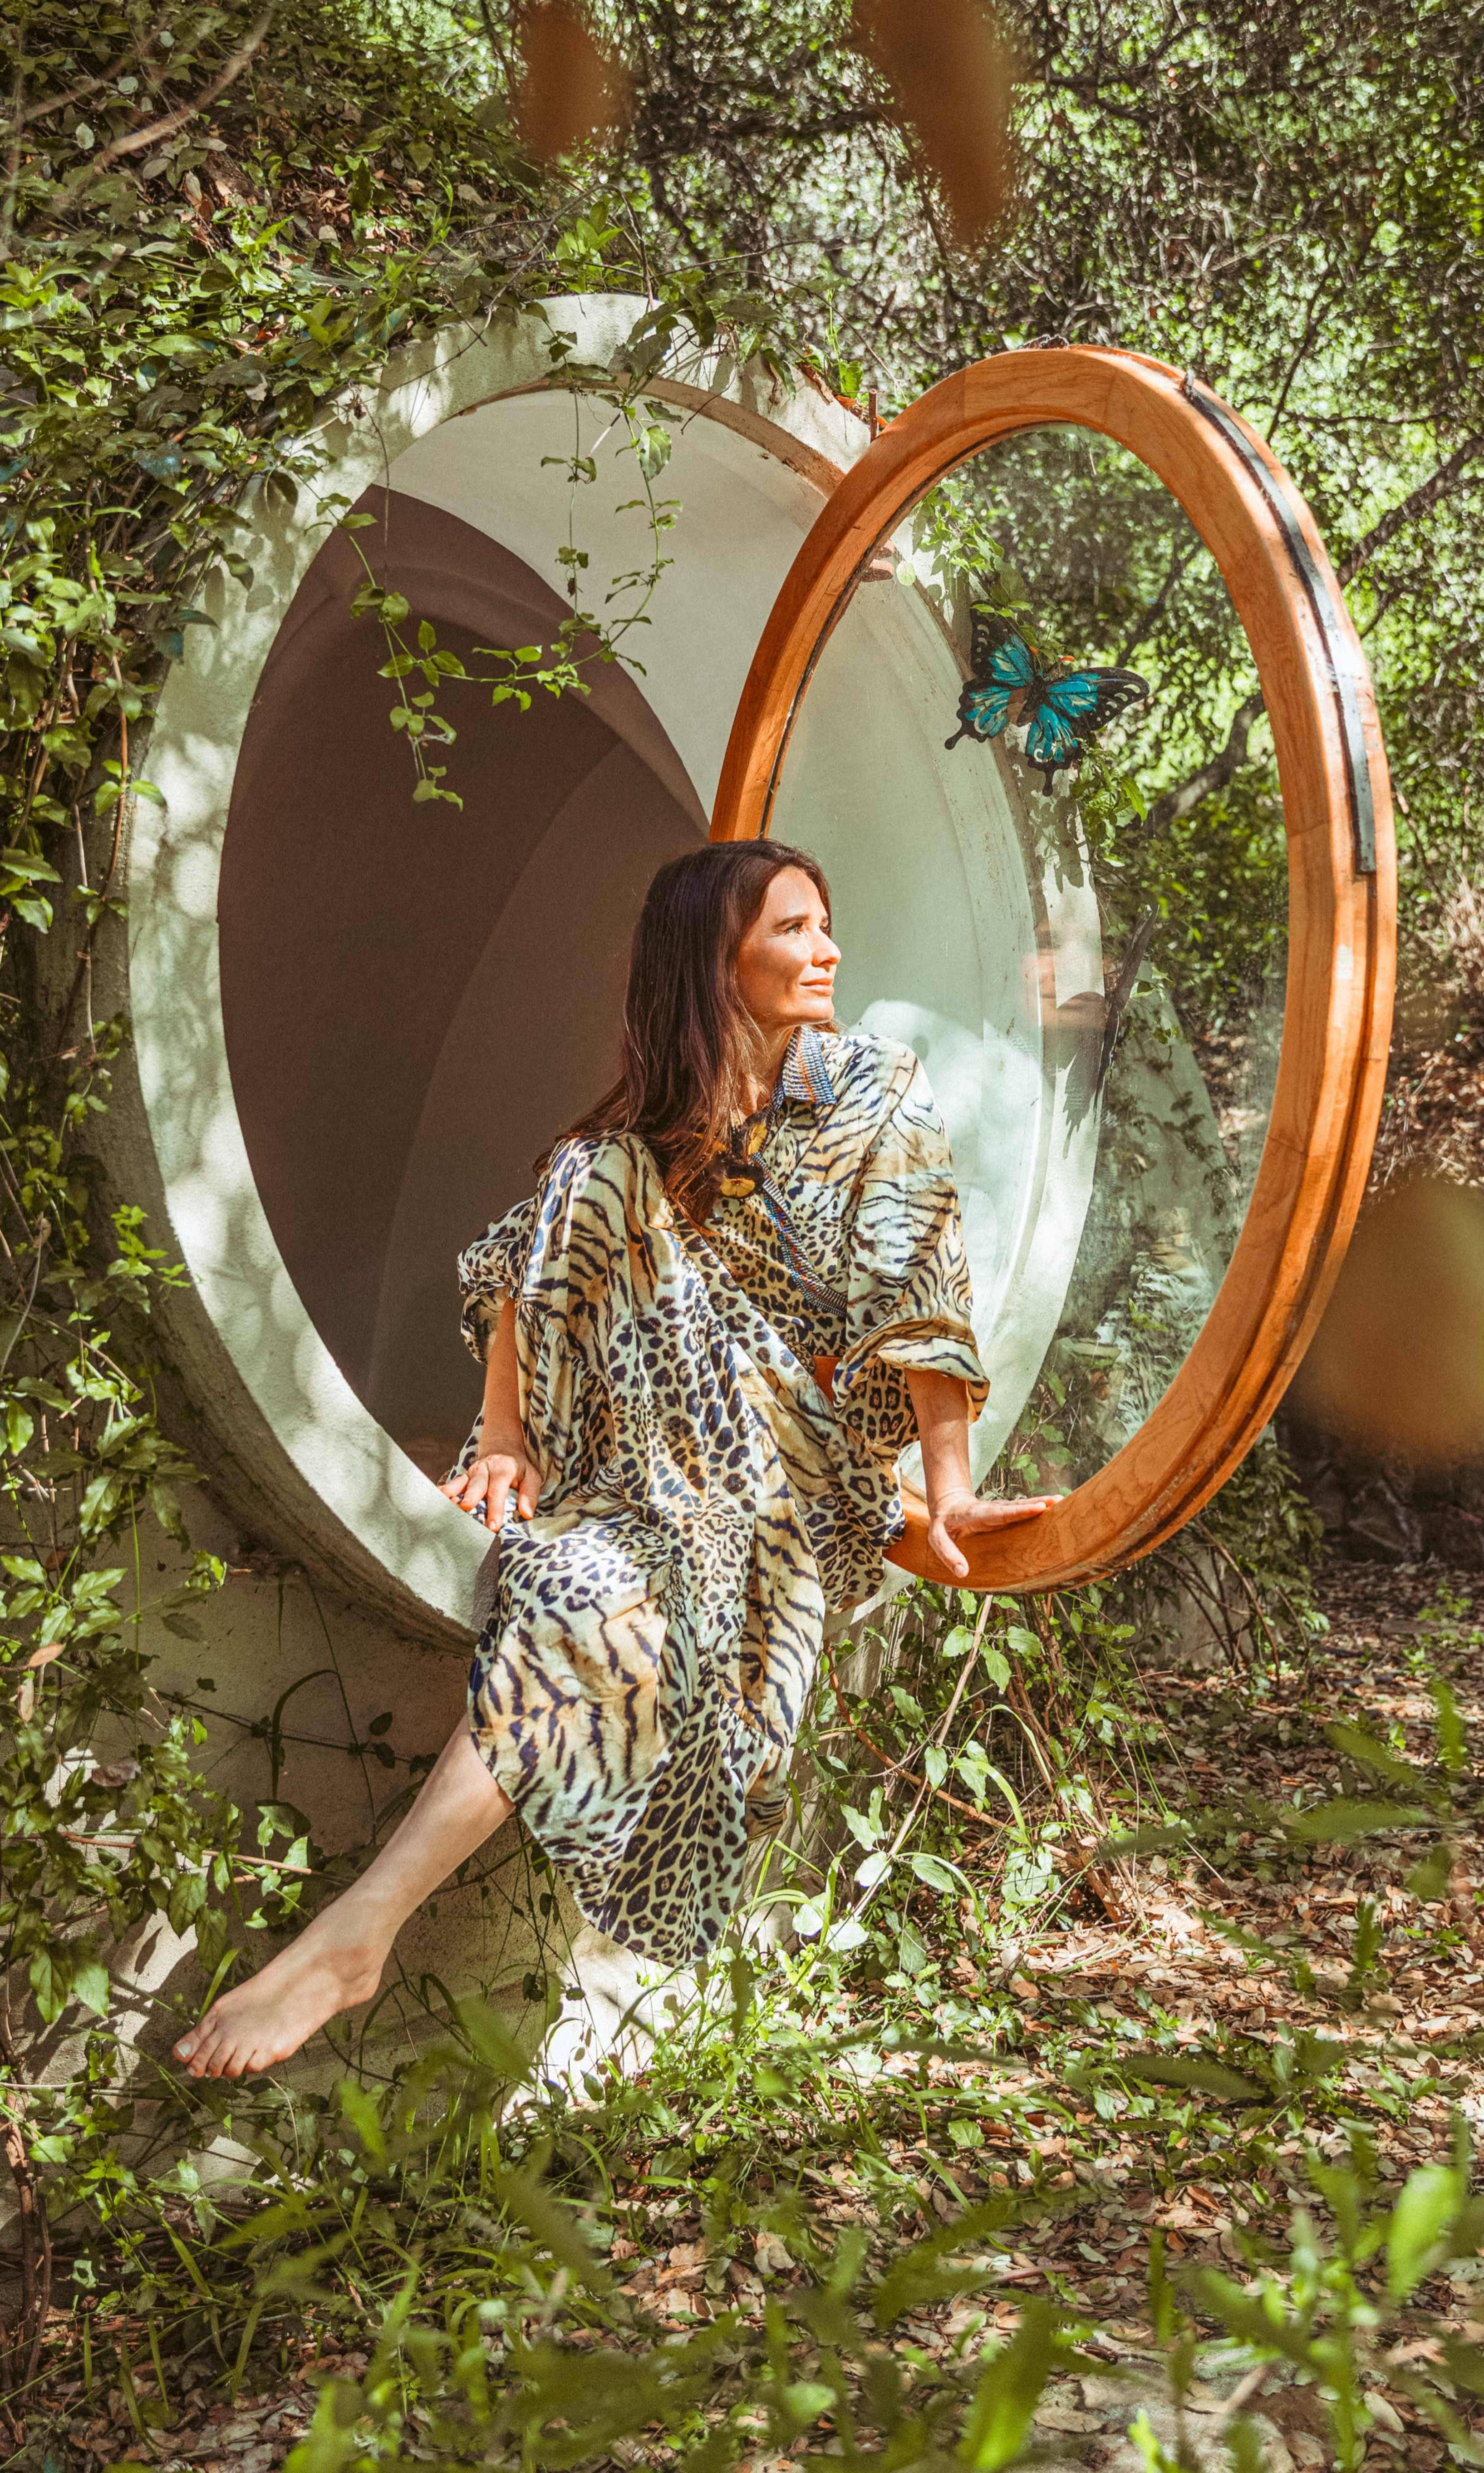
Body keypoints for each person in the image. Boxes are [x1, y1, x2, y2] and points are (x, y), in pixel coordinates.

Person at [174, 838, 1045, 2079]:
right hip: (646, 1482)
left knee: (616, 1221)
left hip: (797, 1479)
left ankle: (355, 1929)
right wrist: (507, 1439)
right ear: (714, 957)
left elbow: (920, 1287)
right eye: (794, 928)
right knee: (584, 1554)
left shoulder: (873, 1087)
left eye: (825, 922)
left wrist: (948, 1488)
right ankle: (360, 1934)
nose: (828, 951)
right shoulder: (640, 1142)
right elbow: (516, 1271)